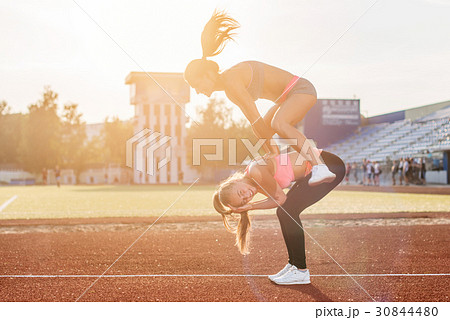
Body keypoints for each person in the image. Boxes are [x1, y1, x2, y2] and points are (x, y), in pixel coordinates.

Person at [184, 10, 336, 187]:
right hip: (287, 98)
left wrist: (271, 149)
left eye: (196, 84)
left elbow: (255, 115)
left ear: (208, 74)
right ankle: (300, 166)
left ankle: (320, 167)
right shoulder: (229, 90)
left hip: (301, 89)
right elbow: (255, 123)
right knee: (267, 128)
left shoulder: (231, 80)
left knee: (279, 124)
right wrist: (271, 152)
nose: (197, 91)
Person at [212, 148, 345, 285]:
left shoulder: (255, 172)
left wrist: (250, 206)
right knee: (284, 212)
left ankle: (300, 270)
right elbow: (277, 200)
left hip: (328, 165)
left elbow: (280, 199)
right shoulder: (255, 183)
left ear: (235, 181)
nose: (247, 196)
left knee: (288, 211)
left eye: (241, 192)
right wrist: (249, 206)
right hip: (313, 170)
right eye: (243, 200)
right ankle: (294, 265)